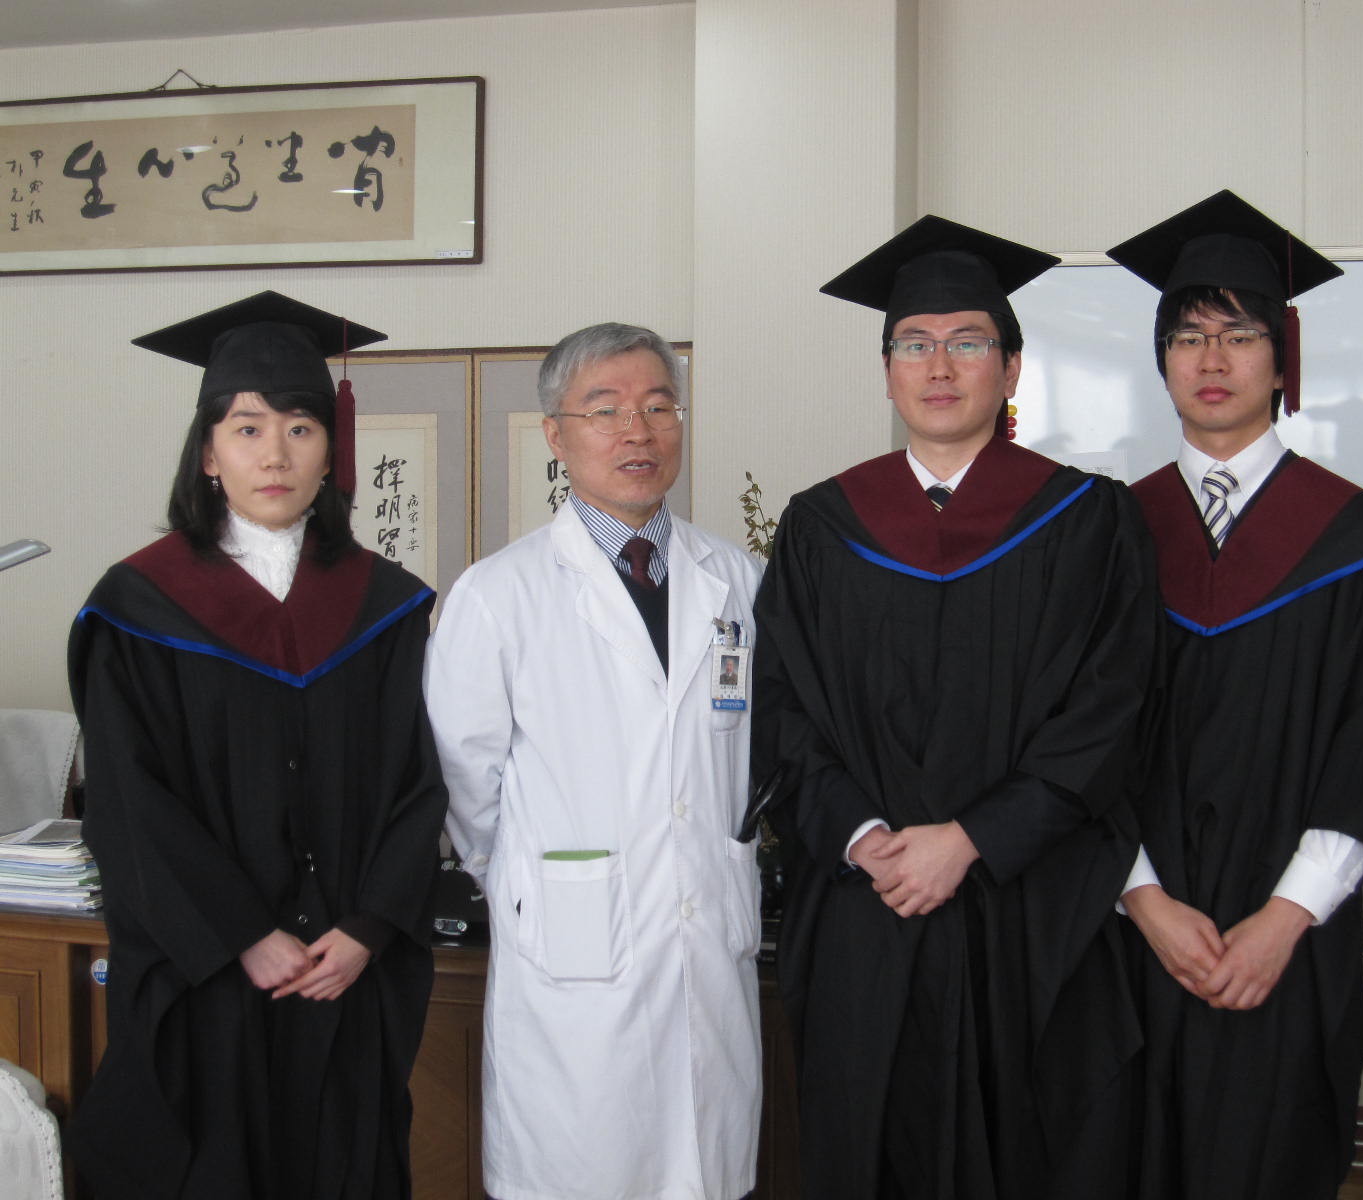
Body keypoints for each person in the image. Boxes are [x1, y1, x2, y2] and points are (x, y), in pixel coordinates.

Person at [752, 216, 1163, 1199]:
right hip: (868, 909)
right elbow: (780, 705)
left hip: (1030, 909)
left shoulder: (1089, 521)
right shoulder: (822, 527)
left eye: (968, 343)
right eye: (914, 345)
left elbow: (1111, 711)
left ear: (1011, 369)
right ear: (887, 372)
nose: (939, 367)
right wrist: (863, 837)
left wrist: (974, 837)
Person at [67, 291, 449, 1199]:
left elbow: (422, 779)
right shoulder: (138, 607)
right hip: (205, 971)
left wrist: (368, 927)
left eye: (301, 428)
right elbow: (128, 799)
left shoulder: (386, 606)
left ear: (332, 451)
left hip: (344, 971)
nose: (275, 454)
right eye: (247, 429)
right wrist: (240, 933)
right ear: (208, 453)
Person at [1106, 191, 1363, 1200]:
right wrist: (1144, 900)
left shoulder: (1361, 542)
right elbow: (1076, 744)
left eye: (1239, 334)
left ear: (1282, 360)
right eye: (1187, 336)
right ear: (1161, 360)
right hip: (1134, 940)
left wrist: (1286, 918)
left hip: (1291, 946)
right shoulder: (1106, 538)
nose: (1211, 358)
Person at [424, 323, 764, 1200]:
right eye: (605, 410)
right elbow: (467, 788)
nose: (637, 432)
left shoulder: (739, 580)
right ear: (556, 433)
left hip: (708, 936)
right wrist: (542, 884)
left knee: (706, 1168)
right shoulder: (499, 594)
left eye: (659, 407)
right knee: (583, 1166)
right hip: (573, 951)